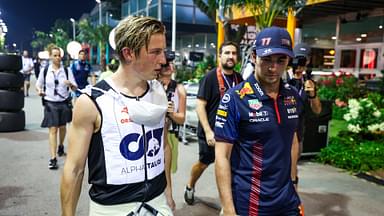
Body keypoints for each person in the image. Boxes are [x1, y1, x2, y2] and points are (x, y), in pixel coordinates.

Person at [60, 16, 175, 216]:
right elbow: (74, 169)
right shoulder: (91, 102)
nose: (163, 60)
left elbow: (164, 146)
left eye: (163, 51)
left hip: (158, 203)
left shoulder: (158, 92)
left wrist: (168, 192)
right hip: (112, 209)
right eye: (155, 52)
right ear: (129, 53)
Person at [214, 27, 304, 215]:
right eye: (267, 60)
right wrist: (229, 209)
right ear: (254, 57)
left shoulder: (292, 96)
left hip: (287, 200)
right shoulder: (235, 98)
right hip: (251, 202)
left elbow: (293, 140)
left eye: (281, 61)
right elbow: (222, 157)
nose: (274, 68)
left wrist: (294, 183)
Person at [184, 41, 243, 205]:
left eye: (233, 53)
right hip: (210, 132)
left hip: (231, 133)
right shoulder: (210, 78)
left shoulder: (239, 79)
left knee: (228, 166)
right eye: (227, 53)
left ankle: (228, 203)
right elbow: (200, 106)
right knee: (204, 163)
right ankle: (190, 185)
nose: (231, 56)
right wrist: (209, 131)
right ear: (220, 56)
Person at [35, 46, 77, 170]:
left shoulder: (67, 70)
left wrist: (71, 84)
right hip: (50, 103)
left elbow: (75, 87)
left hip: (64, 102)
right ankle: (53, 158)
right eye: (55, 55)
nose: (58, 57)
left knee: (63, 127)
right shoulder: (45, 70)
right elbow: (38, 85)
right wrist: (40, 91)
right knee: (53, 129)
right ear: (50, 57)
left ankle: (61, 146)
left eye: (59, 55)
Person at [288, 43, 322, 188]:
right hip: (279, 132)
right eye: (297, 59)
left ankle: (291, 200)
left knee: (293, 166)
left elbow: (317, 110)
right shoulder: (283, 77)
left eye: (304, 59)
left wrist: (312, 94)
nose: (300, 63)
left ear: (308, 61)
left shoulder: (308, 81)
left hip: (298, 132)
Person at [158, 50, 186, 174]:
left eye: (171, 63)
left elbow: (182, 118)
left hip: (171, 134)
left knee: (166, 172)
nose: (168, 66)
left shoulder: (179, 89)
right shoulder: (151, 86)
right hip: (153, 133)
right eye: (165, 63)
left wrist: (171, 113)